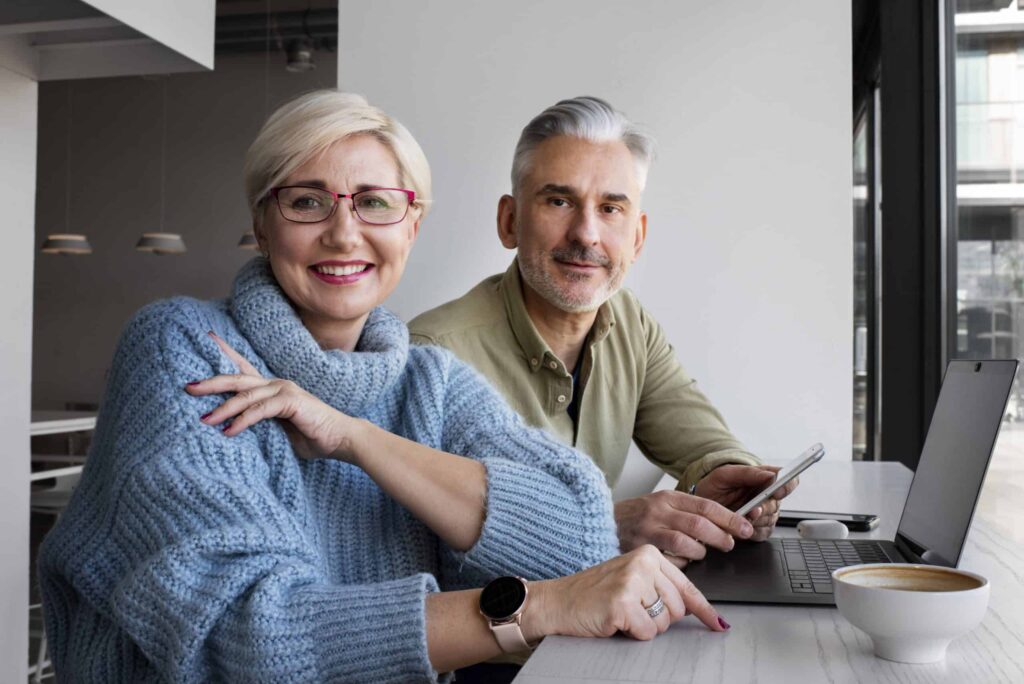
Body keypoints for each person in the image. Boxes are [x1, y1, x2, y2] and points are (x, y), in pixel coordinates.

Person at [38, 91, 731, 683]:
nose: (344, 234)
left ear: (412, 225)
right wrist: (535, 607)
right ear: (261, 223)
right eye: (307, 202)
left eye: (374, 202)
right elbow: (246, 639)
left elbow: (579, 534)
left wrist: (357, 439)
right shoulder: (183, 347)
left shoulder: (426, 379)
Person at [409, 96, 799, 568]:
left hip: (596, 625)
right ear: (509, 222)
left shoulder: (629, 322)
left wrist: (730, 483)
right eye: (559, 201)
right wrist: (605, 525)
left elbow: (703, 441)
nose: (586, 234)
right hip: (496, 636)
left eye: (611, 208)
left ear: (636, 237)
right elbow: (418, 555)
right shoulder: (430, 358)